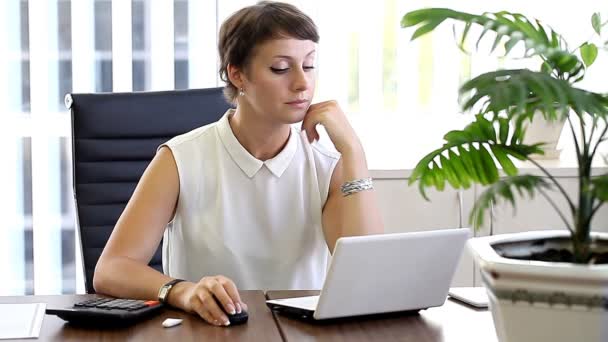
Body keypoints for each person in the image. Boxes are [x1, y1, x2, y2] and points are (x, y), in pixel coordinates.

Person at [93, 1, 383, 327]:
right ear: (237, 74)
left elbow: (367, 280)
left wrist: (354, 152)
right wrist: (182, 291)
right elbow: (112, 268)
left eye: (310, 65)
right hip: (207, 331)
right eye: (281, 68)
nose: (303, 83)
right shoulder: (180, 159)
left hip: (298, 333)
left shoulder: (327, 166)